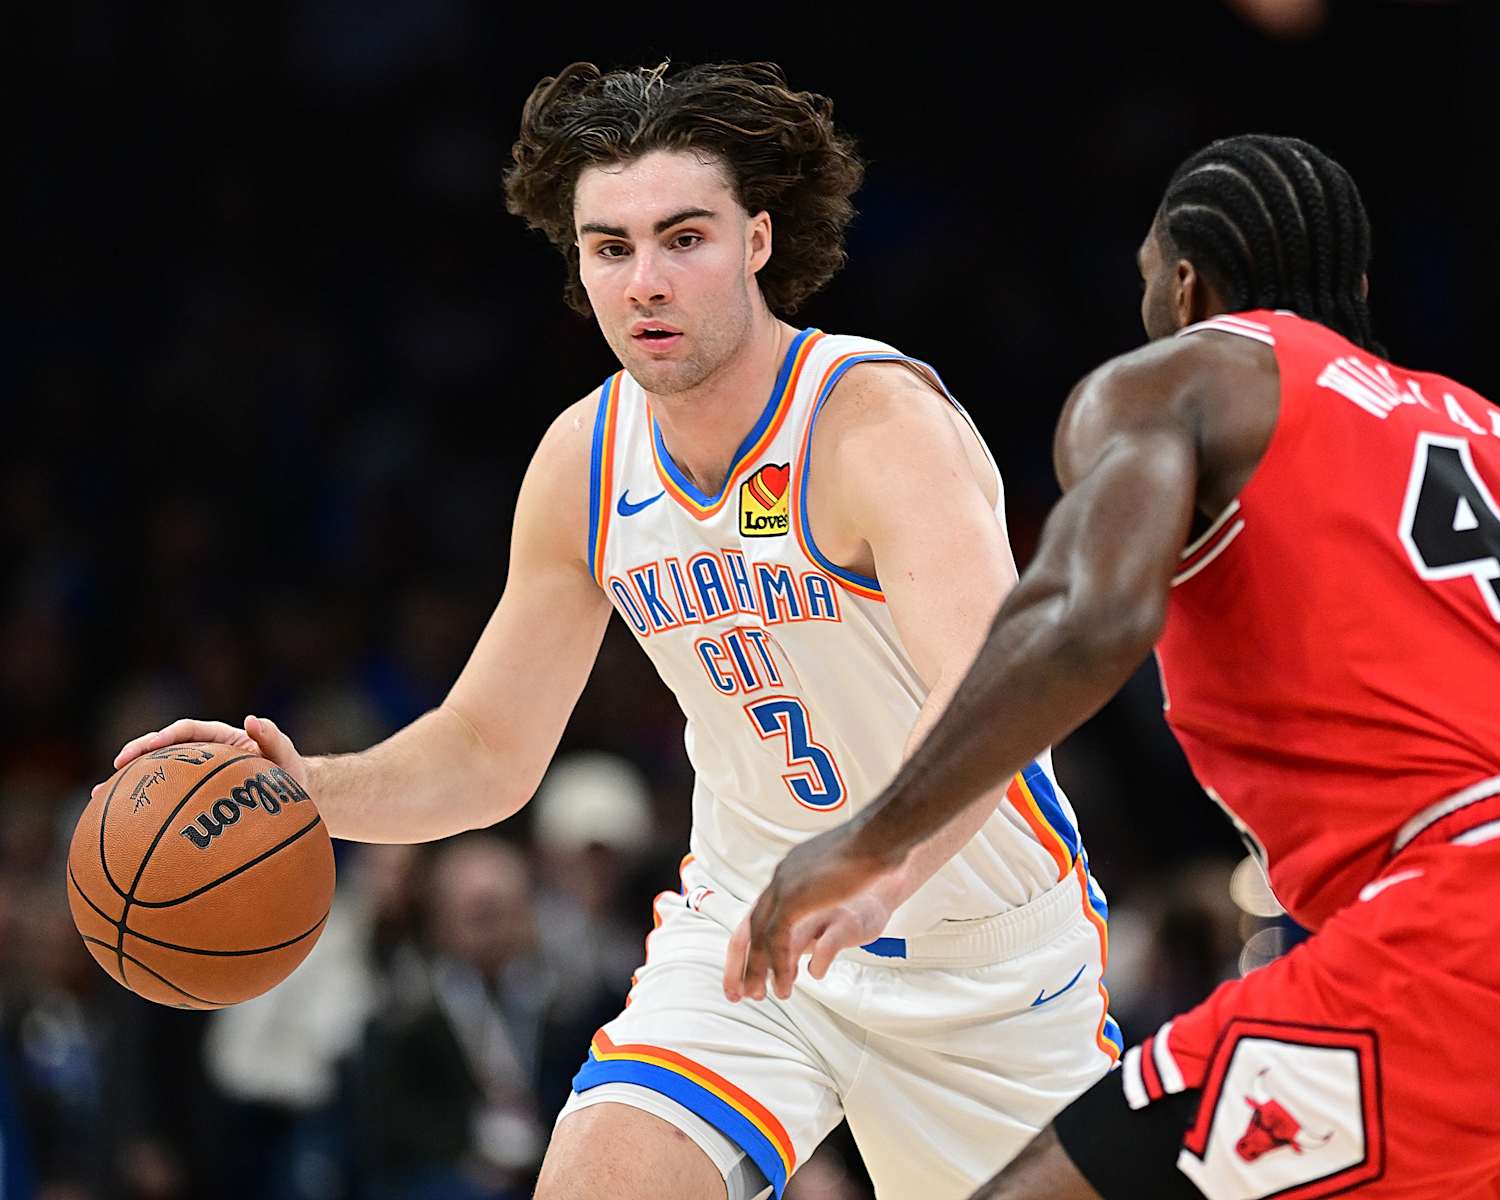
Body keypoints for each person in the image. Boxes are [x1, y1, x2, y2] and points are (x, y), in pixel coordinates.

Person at [102, 60, 1118, 1200]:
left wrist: (876, 864)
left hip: (975, 948)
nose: (646, 281)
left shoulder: (874, 425)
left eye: (684, 237)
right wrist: (301, 792)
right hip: (751, 926)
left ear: (760, 241)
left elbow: (1000, 692)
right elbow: (489, 750)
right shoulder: (583, 463)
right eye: (610, 247)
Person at [731, 134, 1500, 1199]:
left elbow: (1087, 619)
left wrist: (874, 837)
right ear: (1356, 291)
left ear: (1184, 287)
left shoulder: (1189, 374)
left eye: (1146, 282)